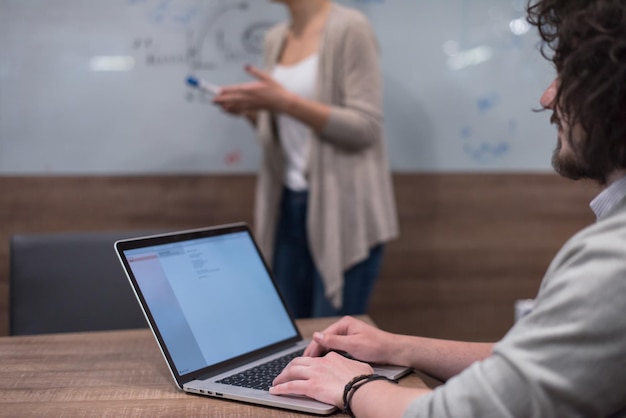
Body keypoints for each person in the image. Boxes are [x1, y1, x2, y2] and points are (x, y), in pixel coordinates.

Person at [268, 0, 626, 416]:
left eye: (571, 75)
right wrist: (396, 346)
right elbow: (545, 362)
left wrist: (352, 386)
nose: (548, 98)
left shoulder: (613, 259)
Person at [213, 0, 398, 318]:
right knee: (292, 333)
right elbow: (286, 132)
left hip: (342, 211)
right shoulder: (276, 37)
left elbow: (365, 127)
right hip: (287, 204)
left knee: (331, 340)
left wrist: (283, 101)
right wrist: (251, 112)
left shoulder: (350, 27)